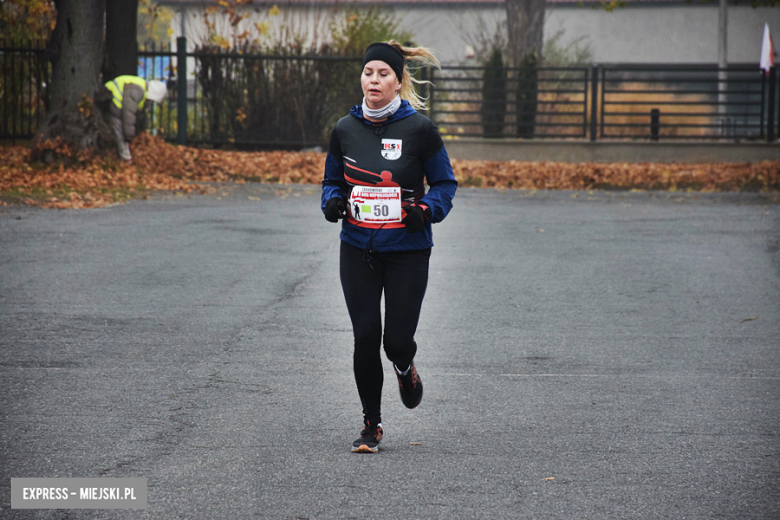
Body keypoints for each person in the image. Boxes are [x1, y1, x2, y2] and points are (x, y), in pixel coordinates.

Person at [321, 41, 458, 453]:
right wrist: (331, 203)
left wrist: (427, 211)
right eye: (368, 73)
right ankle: (371, 424)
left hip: (408, 250)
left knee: (395, 340)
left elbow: (446, 184)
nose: (374, 80)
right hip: (358, 246)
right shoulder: (344, 130)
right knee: (365, 335)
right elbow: (332, 182)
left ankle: (404, 366)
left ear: (399, 82)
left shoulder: (420, 130)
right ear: (361, 78)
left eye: (383, 74)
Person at [104, 76, 167, 162]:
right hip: (111, 100)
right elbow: (128, 113)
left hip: (112, 100)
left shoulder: (140, 87)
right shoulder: (138, 91)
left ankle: (123, 155)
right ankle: (125, 158)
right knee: (120, 132)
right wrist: (129, 135)